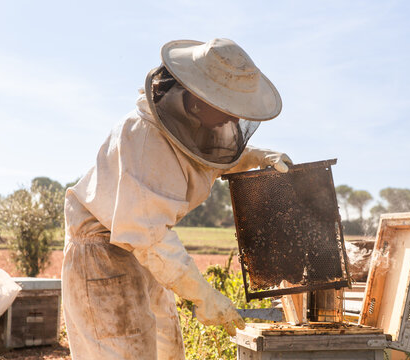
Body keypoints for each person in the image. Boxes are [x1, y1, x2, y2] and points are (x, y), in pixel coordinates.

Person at [61, 38, 292, 359]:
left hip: (141, 255)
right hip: (104, 258)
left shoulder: (194, 121)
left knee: (168, 351)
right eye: (227, 109)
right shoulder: (145, 138)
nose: (231, 119)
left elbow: (210, 156)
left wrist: (257, 157)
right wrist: (205, 297)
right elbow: (150, 237)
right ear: (199, 98)